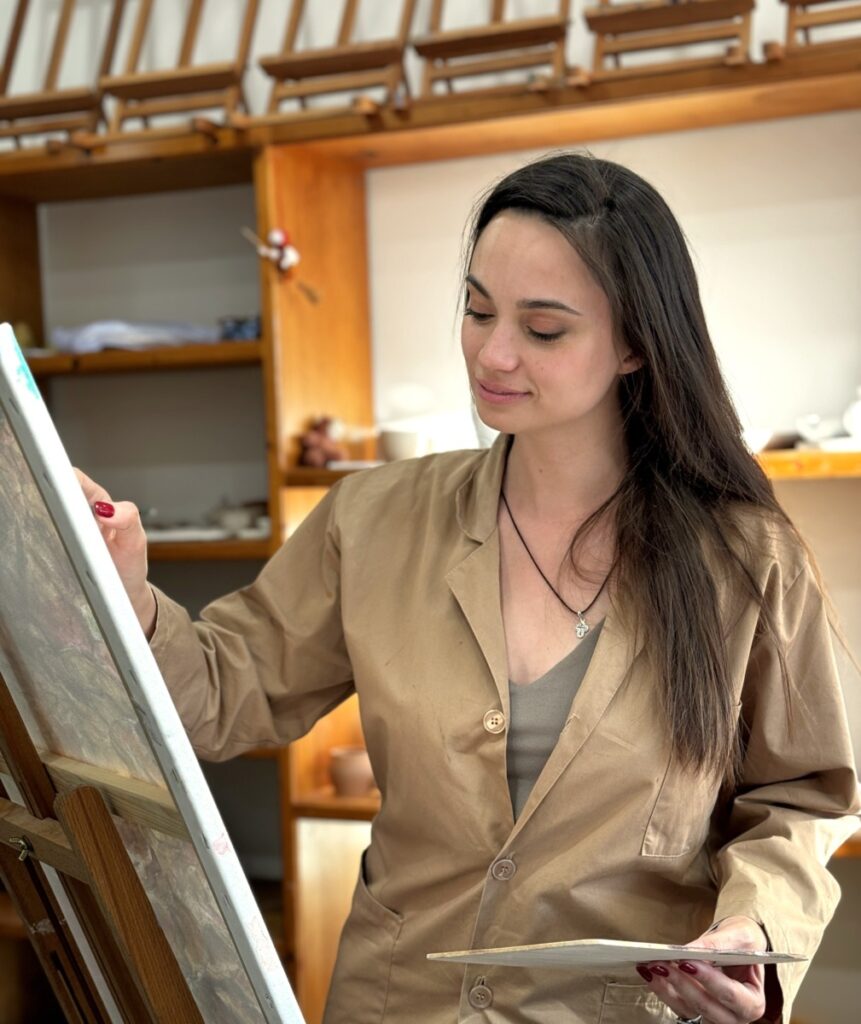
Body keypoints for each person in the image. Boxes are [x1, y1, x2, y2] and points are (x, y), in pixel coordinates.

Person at [77, 153, 859, 1024]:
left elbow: (800, 796)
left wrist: (753, 928)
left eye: (543, 328)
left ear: (636, 344)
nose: (492, 352)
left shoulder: (746, 559)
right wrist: (131, 595)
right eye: (478, 309)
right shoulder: (373, 519)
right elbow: (225, 695)